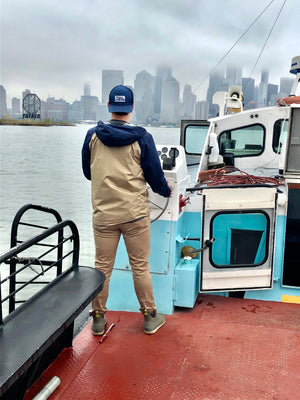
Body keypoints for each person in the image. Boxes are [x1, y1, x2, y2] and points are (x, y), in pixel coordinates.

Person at [81, 85, 171, 335]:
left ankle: (97, 319)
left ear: (109, 107)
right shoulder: (142, 137)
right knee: (140, 266)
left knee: (102, 268)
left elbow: (88, 172)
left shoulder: (92, 135)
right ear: (131, 108)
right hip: (134, 215)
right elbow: (155, 176)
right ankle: (150, 317)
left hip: (104, 215)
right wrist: (166, 191)